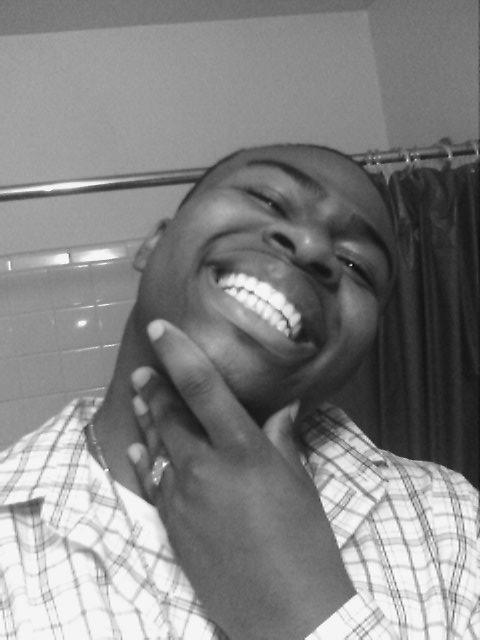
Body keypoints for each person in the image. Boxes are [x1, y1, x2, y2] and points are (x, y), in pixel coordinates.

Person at [0, 143, 478, 639]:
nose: (312, 248)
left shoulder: (450, 519)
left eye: (357, 265)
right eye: (268, 199)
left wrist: (305, 613)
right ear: (154, 244)